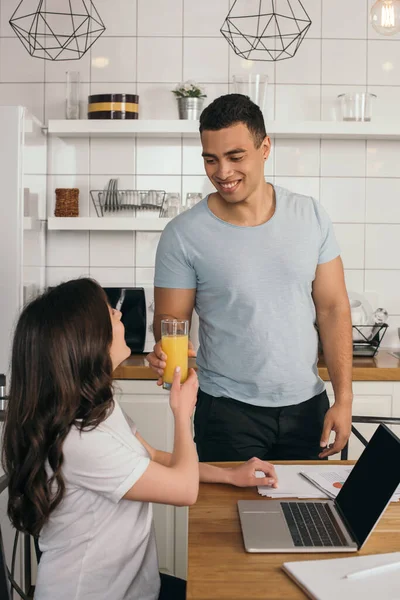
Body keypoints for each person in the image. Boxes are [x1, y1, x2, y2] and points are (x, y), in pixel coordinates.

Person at [2, 277, 277, 600]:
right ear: (85, 340)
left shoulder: (97, 409)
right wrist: (181, 413)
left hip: (137, 589)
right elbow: (184, 490)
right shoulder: (78, 441)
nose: (118, 315)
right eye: (108, 312)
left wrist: (229, 474)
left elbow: (157, 459)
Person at [148, 93, 353, 463]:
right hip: (226, 413)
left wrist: (344, 400)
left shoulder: (310, 216)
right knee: (224, 521)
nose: (222, 172)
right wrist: (164, 347)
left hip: (308, 407)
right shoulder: (182, 234)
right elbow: (170, 322)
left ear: (265, 147)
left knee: (306, 517)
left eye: (235, 156)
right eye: (211, 159)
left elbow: (334, 310)